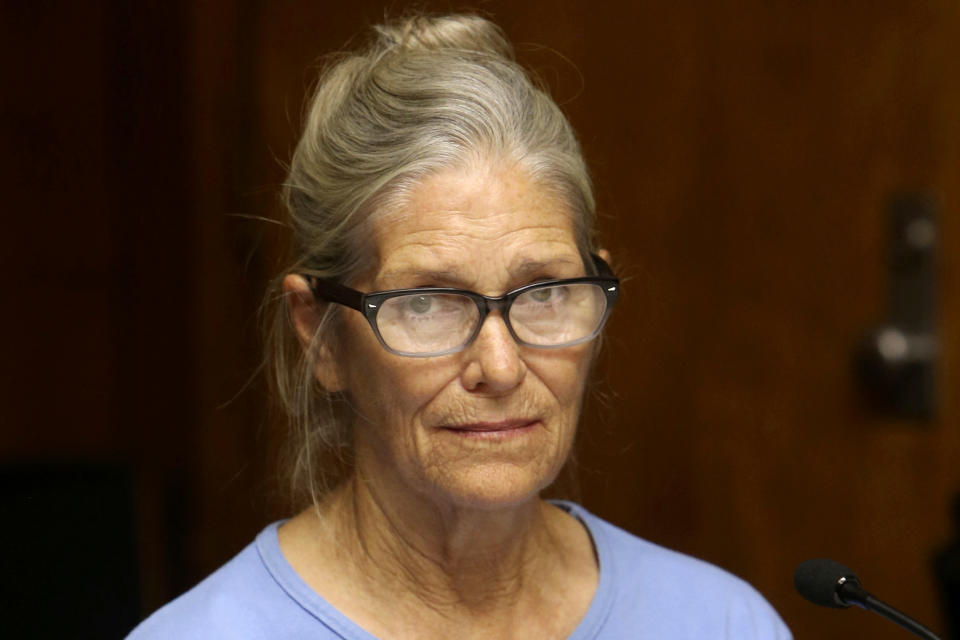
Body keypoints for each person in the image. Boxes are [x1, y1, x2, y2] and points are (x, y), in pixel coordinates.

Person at [128, 13, 792, 639]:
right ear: (321, 333)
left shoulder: (721, 622)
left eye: (543, 293)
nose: (500, 368)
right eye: (426, 303)